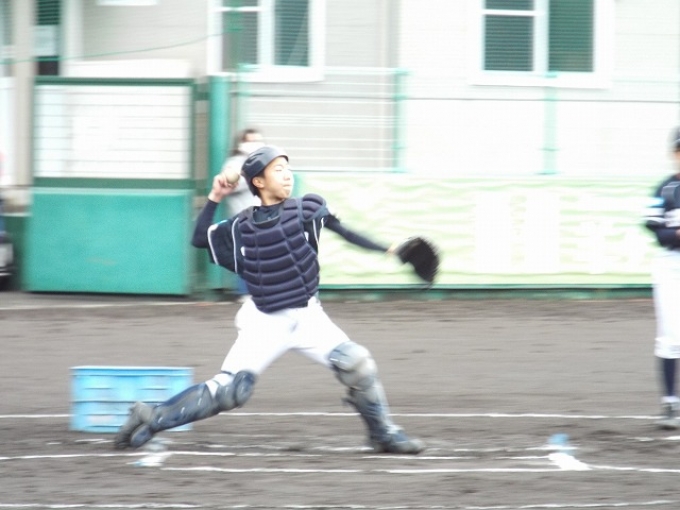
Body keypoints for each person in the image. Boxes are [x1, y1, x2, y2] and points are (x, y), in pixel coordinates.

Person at [114, 145, 425, 454]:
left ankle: (383, 434)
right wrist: (215, 196)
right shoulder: (240, 227)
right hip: (266, 320)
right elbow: (199, 238)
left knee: (358, 364)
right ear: (259, 182)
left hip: (309, 317)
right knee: (231, 392)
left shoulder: (307, 209)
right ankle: (150, 415)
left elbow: (346, 233)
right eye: (278, 170)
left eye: (287, 168)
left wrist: (391, 249)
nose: (287, 175)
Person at [644, 127, 680, 430]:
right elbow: (658, 232)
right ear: (673, 154)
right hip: (671, 267)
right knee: (671, 336)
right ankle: (670, 402)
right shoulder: (665, 189)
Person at [220, 128, 265, 300]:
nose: (254, 144)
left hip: (263, 214)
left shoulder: (263, 161)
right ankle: (245, 293)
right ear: (241, 144)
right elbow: (229, 185)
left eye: (257, 140)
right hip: (243, 216)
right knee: (247, 255)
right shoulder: (234, 163)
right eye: (250, 141)